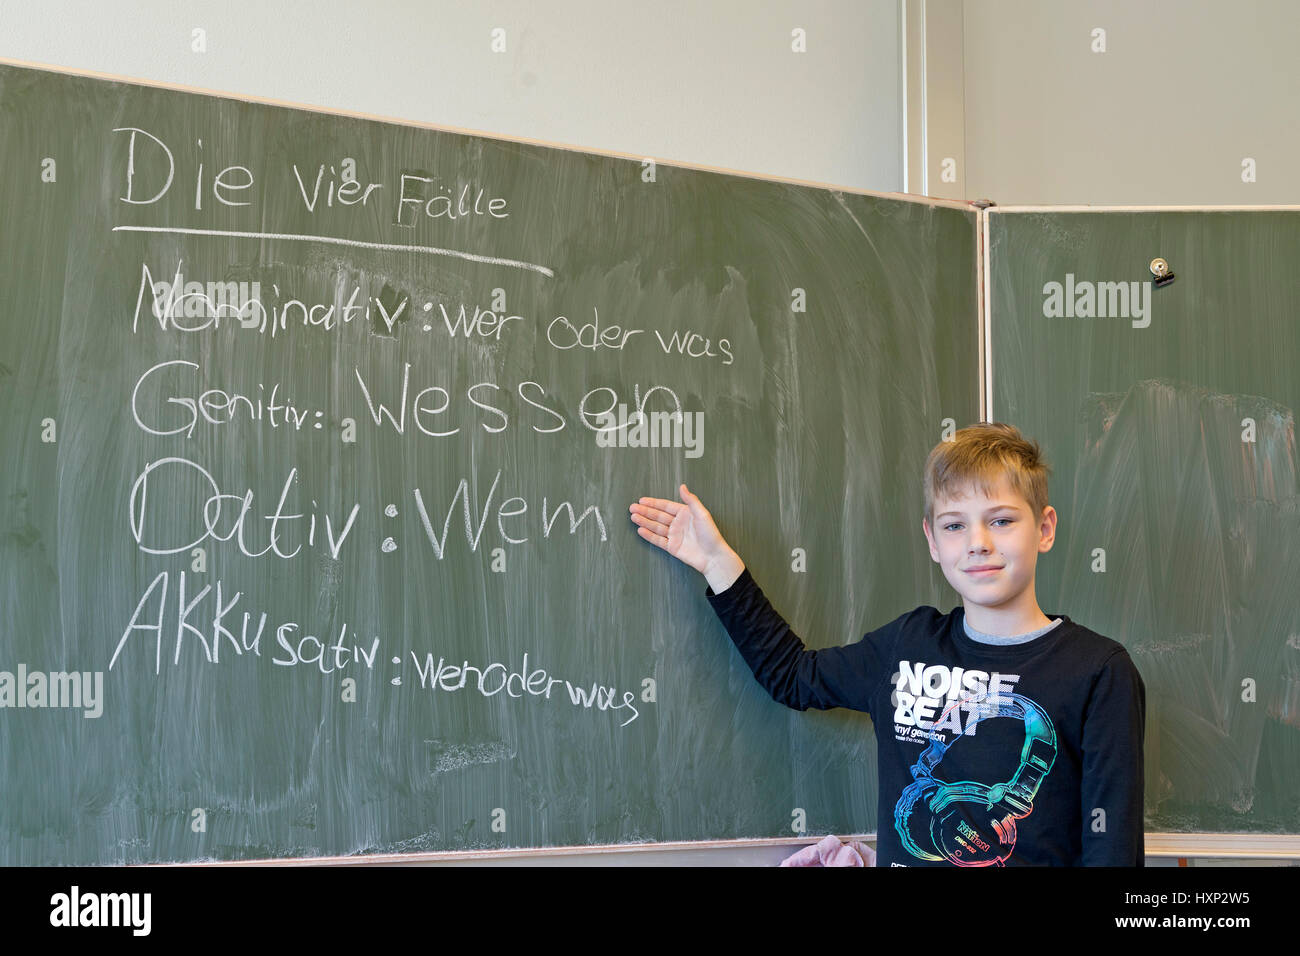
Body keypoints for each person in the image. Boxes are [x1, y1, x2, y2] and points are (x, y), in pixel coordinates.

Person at [628, 422, 1146, 866]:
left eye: (1003, 520)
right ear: (932, 541)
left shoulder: (1098, 671)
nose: (978, 542)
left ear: (1045, 528)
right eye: (954, 525)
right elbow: (791, 676)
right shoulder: (907, 645)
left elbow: (1113, 850)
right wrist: (717, 563)